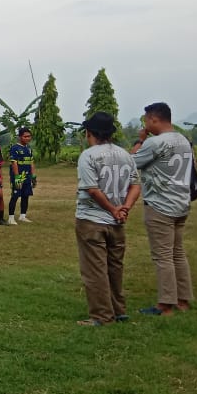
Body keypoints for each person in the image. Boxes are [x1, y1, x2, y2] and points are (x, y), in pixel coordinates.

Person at [75, 112, 141, 326]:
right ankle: (118, 310)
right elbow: (135, 185)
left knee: (94, 270)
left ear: (89, 132)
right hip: (117, 222)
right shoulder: (125, 155)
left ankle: (102, 316)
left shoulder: (88, 156)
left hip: (92, 219)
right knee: (115, 267)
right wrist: (124, 208)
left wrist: (113, 209)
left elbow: (92, 190)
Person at [131, 102, 195, 316]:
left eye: (146, 120)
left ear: (154, 119)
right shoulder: (183, 140)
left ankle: (165, 304)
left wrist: (140, 140)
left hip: (160, 205)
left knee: (163, 256)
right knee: (178, 253)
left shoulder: (154, 143)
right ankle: (183, 300)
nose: (145, 124)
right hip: (181, 203)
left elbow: (131, 163)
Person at [8, 127, 36, 224]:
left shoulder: (29, 149)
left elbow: (31, 163)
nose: (28, 138)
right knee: (15, 196)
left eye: (29, 136)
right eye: (25, 136)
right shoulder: (15, 148)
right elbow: (14, 163)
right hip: (18, 176)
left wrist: (33, 176)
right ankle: (11, 218)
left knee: (26, 195)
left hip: (27, 177)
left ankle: (22, 216)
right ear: (20, 137)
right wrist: (17, 177)